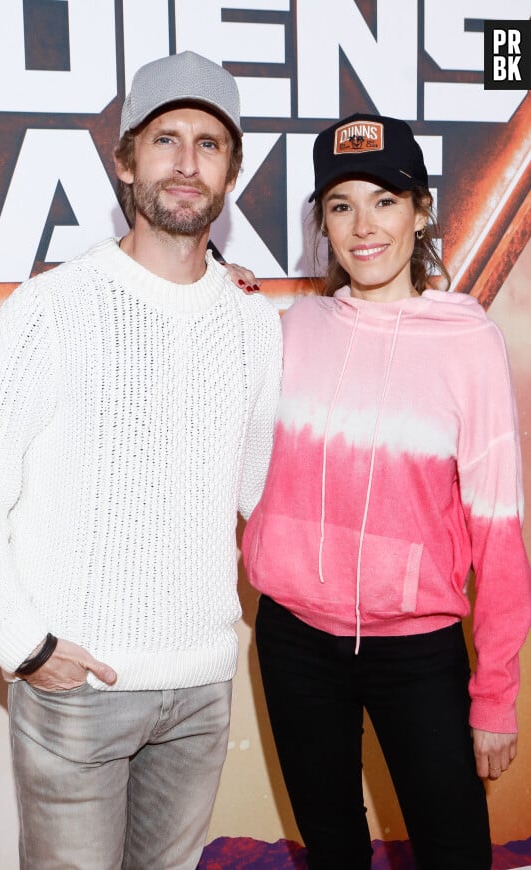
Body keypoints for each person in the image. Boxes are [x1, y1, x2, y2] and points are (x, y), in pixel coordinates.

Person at [0, 51, 281, 869]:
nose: (186, 162)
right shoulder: (51, 308)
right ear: (126, 160)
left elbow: (258, 493)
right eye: (165, 140)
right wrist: (22, 643)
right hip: (79, 689)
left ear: (230, 173)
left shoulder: (252, 322)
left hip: (202, 688)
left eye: (209, 145)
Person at [242, 113, 531, 869]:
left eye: (385, 200)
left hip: (418, 649)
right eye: (341, 205)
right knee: (332, 852)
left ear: (422, 210)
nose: (363, 226)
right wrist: (223, 297)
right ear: (324, 223)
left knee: (456, 854)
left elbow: (500, 529)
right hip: (295, 640)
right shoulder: (290, 328)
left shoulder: (468, 343)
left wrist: (494, 693)